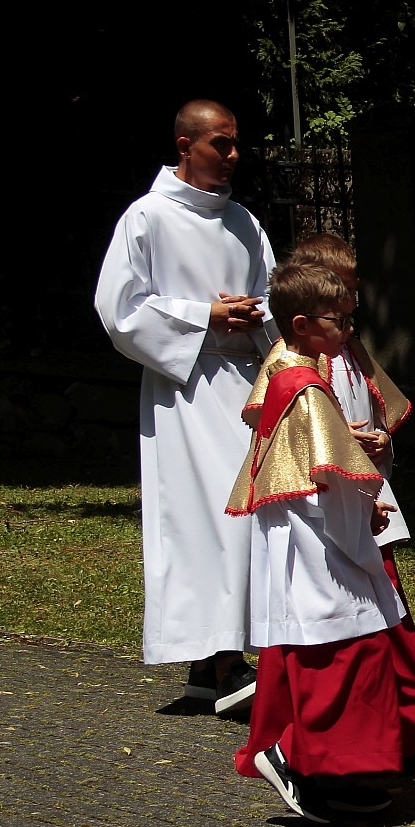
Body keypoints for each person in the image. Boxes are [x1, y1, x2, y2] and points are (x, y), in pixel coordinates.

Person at [95, 99, 274, 711]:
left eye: (235, 143)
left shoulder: (245, 223)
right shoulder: (147, 218)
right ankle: (225, 661)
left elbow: (275, 298)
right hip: (186, 387)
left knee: (244, 515)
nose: (233, 155)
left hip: (245, 384)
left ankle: (210, 663)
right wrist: (205, 316)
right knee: (210, 519)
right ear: (184, 146)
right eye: (220, 143)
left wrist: (254, 317)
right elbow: (119, 308)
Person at [226, 262, 405, 823]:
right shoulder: (303, 388)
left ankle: (332, 776)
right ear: (302, 325)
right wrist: (366, 510)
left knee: (344, 651)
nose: (349, 330)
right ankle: (294, 758)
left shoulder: (289, 370)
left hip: (307, 533)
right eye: (339, 320)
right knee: (344, 653)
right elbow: (324, 479)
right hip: (318, 540)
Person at [281, 233, 415, 768]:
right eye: (343, 297)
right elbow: (298, 441)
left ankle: (410, 726)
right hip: (331, 510)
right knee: (366, 621)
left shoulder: (351, 354)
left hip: (367, 497)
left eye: (353, 295)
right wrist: (343, 447)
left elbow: (374, 418)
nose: (352, 311)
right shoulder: (300, 367)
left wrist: (379, 443)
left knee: (389, 614)